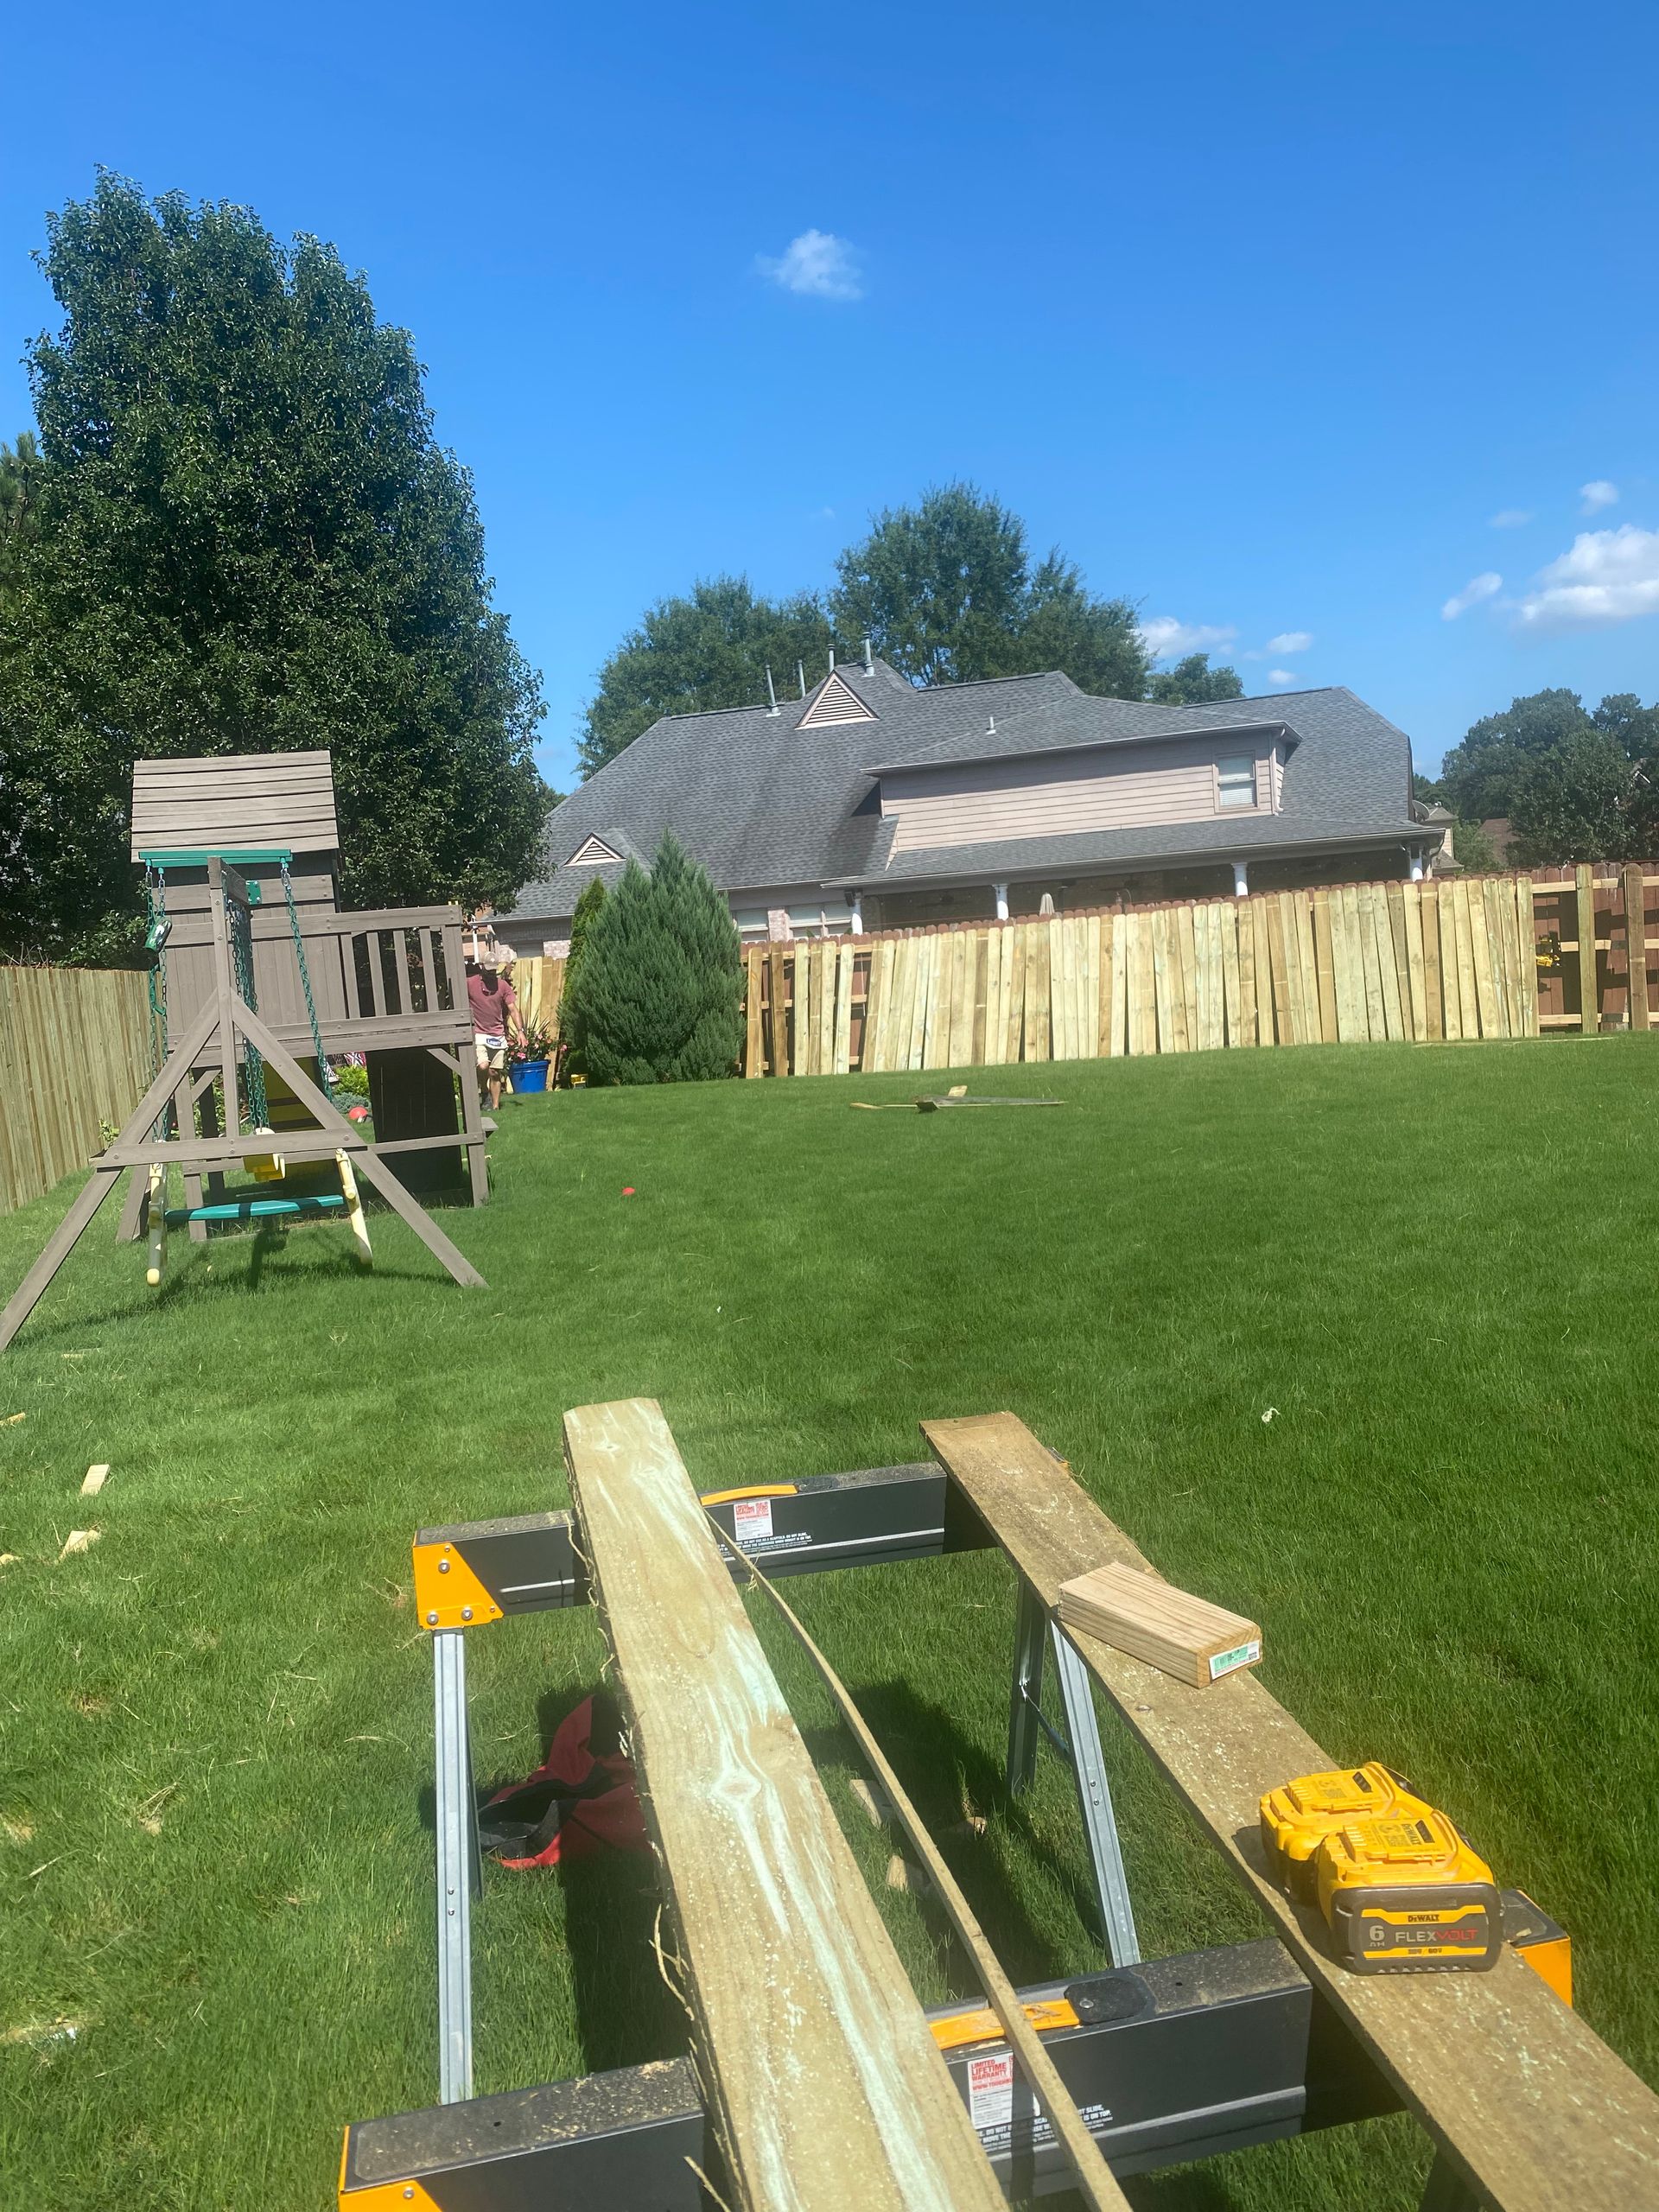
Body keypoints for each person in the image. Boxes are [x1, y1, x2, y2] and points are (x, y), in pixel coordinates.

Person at [467, 953, 521, 1111]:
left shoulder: (502, 985)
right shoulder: (470, 983)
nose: (490, 973)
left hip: (497, 1034)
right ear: (481, 966)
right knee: (483, 1066)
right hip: (479, 1032)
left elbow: (513, 1009)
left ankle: (495, 1107)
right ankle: (485, 1092)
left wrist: (520, 1031)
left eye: (493, 970)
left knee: (495, 1072)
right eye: (488, 969)